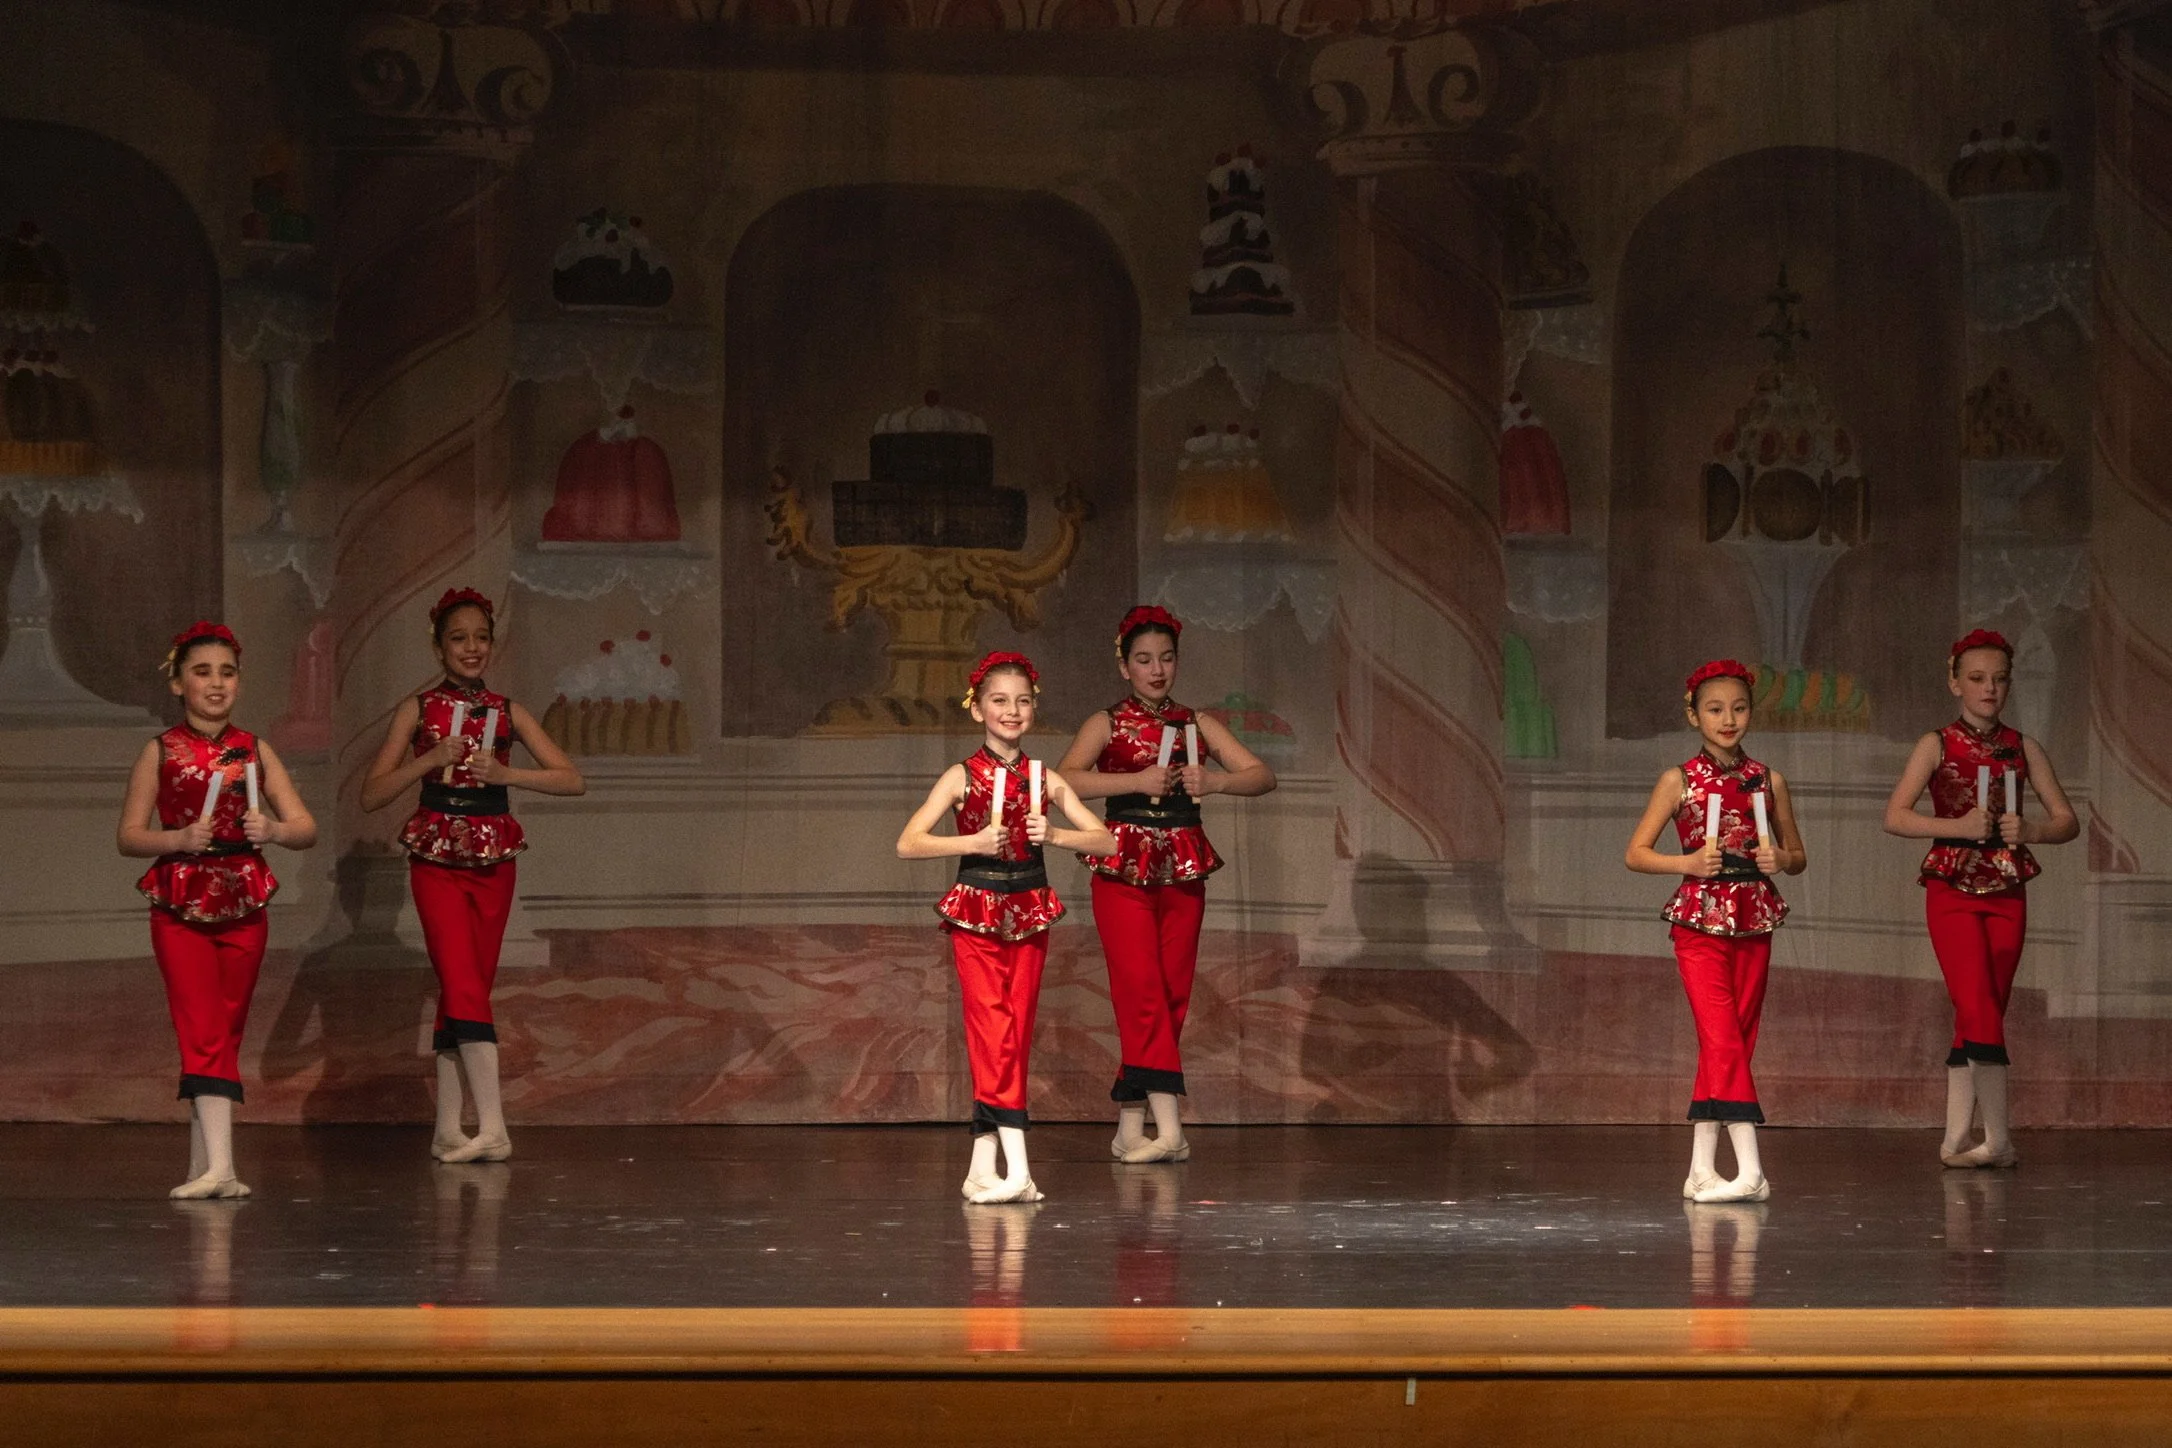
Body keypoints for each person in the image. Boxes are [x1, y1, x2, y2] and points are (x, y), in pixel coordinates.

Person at [361, 588, 584, 1163]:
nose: (472, 648)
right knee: (461, 983)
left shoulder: (509, 711)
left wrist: (509, 775)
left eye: (481, 637)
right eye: (459, 638)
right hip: (436, 857)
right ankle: (494, 1128)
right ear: (438, 647)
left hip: (493, 858)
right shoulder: (417, 710)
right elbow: (372, 793)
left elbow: (571, 778)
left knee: (468, 990)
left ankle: (446, 1128)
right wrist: (428, 760)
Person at [1056, 605, 1275, 1164]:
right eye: (1144, 659)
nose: (1157, 670)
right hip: (1122, 864)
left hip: (1183, 863)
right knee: (1141, 989)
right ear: (1124, 666)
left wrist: (1217, 782)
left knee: (1171, 993)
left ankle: (1130, 1127)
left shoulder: (1196, 722)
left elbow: (1262, 775)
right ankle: (1172, 1129)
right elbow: (1062, 781)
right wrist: (1134, 779)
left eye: (1166, 658)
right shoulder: (1106, 722)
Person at [897, 650, 1116, 1204]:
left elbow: (1107, 841)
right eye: (999, 700)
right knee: (993, 1029)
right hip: (976, 910)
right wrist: (970, 842)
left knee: (1012, 1034)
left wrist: (1057, 836)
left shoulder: (1045, 778)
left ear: (1033, 708)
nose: (1012, 710)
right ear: (977, 709)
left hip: (1030, 908)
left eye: (1022, 701)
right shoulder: (961, 775)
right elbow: (908, 843)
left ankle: (981, 1167)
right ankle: (1019, 1169)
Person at [118, 622, 316, 1198]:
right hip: (180, 901)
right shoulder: (159, 751)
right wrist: (178, 839)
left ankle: (205, 1164)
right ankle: (223, 1170)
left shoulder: (255, 749)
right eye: (202, 672)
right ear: (177, 682)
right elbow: (129, 835)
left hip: (243, 897)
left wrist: (273, 829)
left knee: (224, 1031)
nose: (216, 683)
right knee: (200, 1027)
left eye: (227, 673)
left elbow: (305, 827)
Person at [1881, 629, 2077, 1168]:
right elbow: (1895, 816)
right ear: (1954, 683)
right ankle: (1999, 1140)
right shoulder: (1936, 744)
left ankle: (1954, 1141)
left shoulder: (2024, 746)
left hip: (2008, 888)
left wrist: (2032, 830)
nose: (1989, 688)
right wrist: (1956, 826)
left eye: (1999, 679)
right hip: (1951, 886)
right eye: (1977, 678)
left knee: (1985, 1008)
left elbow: (2067, 821)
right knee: (1978, 1004)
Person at [1625, 659, 1805, 1203]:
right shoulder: (1677, 780)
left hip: (1755, 914)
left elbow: (1797, 856)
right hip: (1699, 917)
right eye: (1715, 709)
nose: (1729, 720)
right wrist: (1685, 864)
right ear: (1693, 715)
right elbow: (1636, 853)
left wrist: (1781, 859)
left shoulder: (1769, 780)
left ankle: (1701, 1169)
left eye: (1739, 708)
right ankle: (1752, 1171)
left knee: (1732, 1042)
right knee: (1723, 1036)